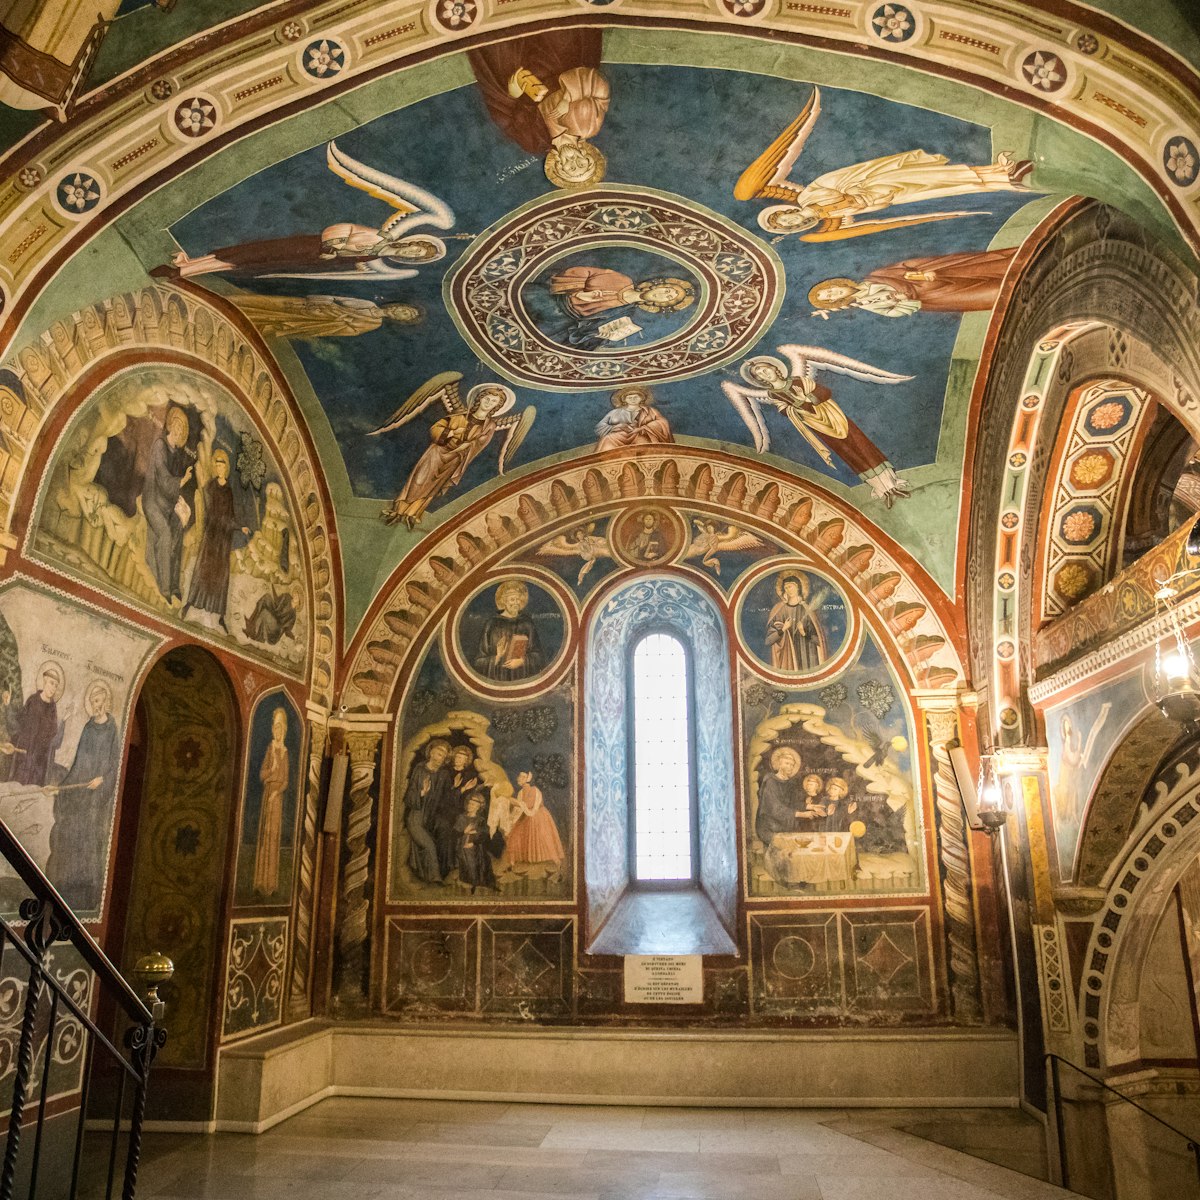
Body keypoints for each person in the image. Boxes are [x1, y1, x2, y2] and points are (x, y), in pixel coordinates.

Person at [739, 357, 910, 506]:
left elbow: (824, 392)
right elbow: (784, 410)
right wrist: (798, 405)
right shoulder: (773, 394)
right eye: (759, 374)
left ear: (774, 368)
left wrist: (807, 399)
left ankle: (891, 483)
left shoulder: (798, 381)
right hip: (816, 424)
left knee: (862, 445)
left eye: (765, 369)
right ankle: (881, 489)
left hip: (832, 416)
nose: (764, 374)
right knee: (848, 454)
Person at [468, 30, 611, 188]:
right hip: (557, 60)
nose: (573, 161)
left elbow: (505, 117)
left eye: (570, 168)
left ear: (558, 166)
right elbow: (598, 85)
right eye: (581, 164)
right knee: (558, 31)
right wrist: (567, 98)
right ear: (586, 155)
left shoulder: (533, 142)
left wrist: (514, 89)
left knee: (496, 48)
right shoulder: (587, 127)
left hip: (517, 78)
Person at [383, 385, 516, 529]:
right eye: (487, 398)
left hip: (456, 458)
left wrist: (468, 446)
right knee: (418, 480)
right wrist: (451, 433)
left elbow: (480, 444)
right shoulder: (460, 414)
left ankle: (412, 513)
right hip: (437, 452)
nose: (489, 403)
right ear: (480, 398)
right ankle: (397, 510)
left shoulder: (489, 425)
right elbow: (436, 428)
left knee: (433, 487)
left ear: (497, 406)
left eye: (494, 401)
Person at [47, 680, 120, 910]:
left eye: (98, 701)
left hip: (97, 798)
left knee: (89, 835)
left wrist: (103, 779)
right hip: (81, 789)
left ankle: (87, 887)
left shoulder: (112, 730)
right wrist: (62, 786)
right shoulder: (88, 728)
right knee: (68, 828)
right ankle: (65, 886)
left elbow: (116, 764)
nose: (95, 705)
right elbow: (78, 763)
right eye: (92, 702)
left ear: (105, 702)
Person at [808, 247, 1020, 318]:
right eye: (830, 298)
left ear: (835, 284)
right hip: (934, 296)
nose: (834, 294)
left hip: (940, 273)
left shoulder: (875, 275)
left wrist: (922, 270)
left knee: (991, 268)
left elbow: (905, 265)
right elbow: (897, 312)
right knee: (993, 292)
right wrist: (901, 300)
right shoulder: (869, 305)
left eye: (830, 291)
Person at [537, 267, 694, 350]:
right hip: (551, 300)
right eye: (667, 290)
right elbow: (581, 271)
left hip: (561, 323)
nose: (663, 295)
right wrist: (578, 293)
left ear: (662, 305)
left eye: (669, 299)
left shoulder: (626, 314)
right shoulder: (621, 279)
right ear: (657, 285)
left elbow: (585, 334)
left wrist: (599, 335)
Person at [182, 448, 249, 631]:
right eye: (217, 466)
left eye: (222, 466)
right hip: (212, 535)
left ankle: (219, 615)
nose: (219, 469)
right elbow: (209, 508)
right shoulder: (211, 486)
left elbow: (231, 515)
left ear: (225, 469)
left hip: (223, 539)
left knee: (221, 576)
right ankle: (191, 603)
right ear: (215, 468)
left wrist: (239, 526)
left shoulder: (228, 491)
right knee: (203, 569)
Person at [142, 406, 195, 604]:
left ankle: (174, 586)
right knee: (165, 534)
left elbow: (173, 487)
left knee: (178, 530)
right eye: (177, 425)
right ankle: (164, 589)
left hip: (167, 503)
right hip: (153, 501)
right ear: (170, 424)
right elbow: (164, 480)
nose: (179, 430)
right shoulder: (159, 446)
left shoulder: (176, 453)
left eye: (183, 429)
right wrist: (182, 481)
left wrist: (180, 501)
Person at [229, 293, 423, 338]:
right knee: (270, 303)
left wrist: (340, 318)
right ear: (398, 305)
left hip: (319, 321)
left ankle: (240, 323)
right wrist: (319, 300)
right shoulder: (369, 304)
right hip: (313, 307)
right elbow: (339, 299)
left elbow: (349, 331)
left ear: (399, 320)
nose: (402, 312)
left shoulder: (374, 323)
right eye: (405, 309)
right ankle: (230, 302)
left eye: (405, 316)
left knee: (275, 319)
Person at [1, 662, 67, 787]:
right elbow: (18, 724)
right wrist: (8, 706)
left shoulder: (53, 708)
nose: (53, 688)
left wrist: (63, 723)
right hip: (24, 757)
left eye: (56, 685)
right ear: (44, 681)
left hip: (39, 763)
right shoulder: (33, 700)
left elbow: (53, 738)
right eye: (51, 683)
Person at [474, 580, 544, 682]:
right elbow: (479, 662)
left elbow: (538, 656)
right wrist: (497, 657)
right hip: (499, 678)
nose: (516, 603)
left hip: (522, 678)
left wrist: (521, 661)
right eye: (512, 600)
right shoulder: (492, 624)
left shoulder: (527, 624)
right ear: (504, 602)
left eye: (518, 599)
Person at [253, 707, 290, 896]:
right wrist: (271, 771)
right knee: (265, 836)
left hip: (277, 797)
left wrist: (277, 793)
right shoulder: (270, 749)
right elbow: (262, 774)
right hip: (268, 793)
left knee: (274, 837)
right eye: (275, 729)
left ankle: (271, 883)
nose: (277, 732)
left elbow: (285, 780)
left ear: (283, 731)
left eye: (280, 729)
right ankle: (260, 881)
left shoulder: (285, 752)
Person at [404, 738, 451, 883]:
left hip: (432, 817)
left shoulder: (444, 775)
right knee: (429, 846)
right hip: (416, 817)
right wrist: (422, 792)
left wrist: (457, 789)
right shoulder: (419, 769)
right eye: (438, 753)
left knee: (446, 835)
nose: (440, 758)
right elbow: (410, 797)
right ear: (431, 752)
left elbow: (447, 798)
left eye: (443, 756)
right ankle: (435, 879)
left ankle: (447, 872)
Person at [432, 744, 479, 879]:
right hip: (444, 811)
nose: (458, 759)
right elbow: (442, 796)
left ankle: (458, 867)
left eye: (462, 758)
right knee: (445, 833)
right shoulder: (445, 772)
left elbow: (470, 797)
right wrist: (459, 789)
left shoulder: (470, 775)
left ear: (466, 760)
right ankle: (443, 869)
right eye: (457, 756)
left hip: (461, 812)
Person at [765, 572, 824, 672]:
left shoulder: (808, 609)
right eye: (786, 587)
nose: (788, 590)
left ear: (798, 587)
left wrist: (804, 633)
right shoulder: (779, 610)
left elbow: (819, 641)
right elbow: (768, 641)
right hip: (787, 657)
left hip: (807, 655)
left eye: (791, 586)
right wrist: (783, 629)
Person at [505, 770, 565, 869]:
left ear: (527, 779)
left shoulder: (534, 790)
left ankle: (556, 861)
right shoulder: (520, 792)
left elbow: (532, 807)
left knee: (544, 837)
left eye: (521, 777)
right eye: (519, 776)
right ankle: (511, 863)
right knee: (515, 834)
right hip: (526, 815)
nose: (518, 778)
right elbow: (520, 809)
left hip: (539, 815)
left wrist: (519, 804)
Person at [594, 386, 673, 452]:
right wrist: (616, 427)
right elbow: (599, 427)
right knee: (607, 439)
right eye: (629, 397)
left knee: (643, 442)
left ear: (641, 398)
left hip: (640, 435)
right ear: (624, 400)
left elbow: (662, 422)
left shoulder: (650, 411)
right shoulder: (615, 412)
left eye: (636, 397)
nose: (633, 399)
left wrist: (642, 428)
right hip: (619, 435)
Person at [755, 746, 804, 844]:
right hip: (770, 827)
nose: (790, 767)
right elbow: (775, 808)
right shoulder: (770, 782)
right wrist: (802, 814)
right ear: (779, 764)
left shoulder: (790, 783)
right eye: (787, 763)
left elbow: (793, 803)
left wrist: (811, 807)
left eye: (792, 765)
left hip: (785, 825)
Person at [456, 792, 498, 892]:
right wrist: (464, 832)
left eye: (473, 804)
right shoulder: (461, 818)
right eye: (469, 803)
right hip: (462, 844)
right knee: (469, 855)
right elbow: (455, 833)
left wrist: (474, 840)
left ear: (478, 807)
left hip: (476, 844)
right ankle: (473, 882)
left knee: (485, 858)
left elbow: (484, 833)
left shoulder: (480, 820)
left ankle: (486, 882)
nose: (470, 806)